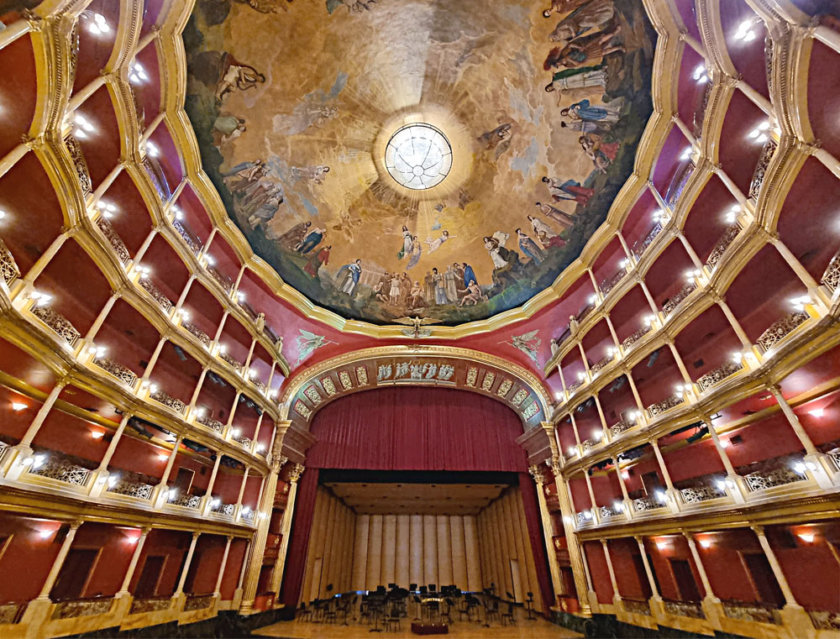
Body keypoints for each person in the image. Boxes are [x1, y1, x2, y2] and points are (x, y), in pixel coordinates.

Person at [549, 0, 616, 43]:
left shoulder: (558, 29)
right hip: (580, 28)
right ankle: (608, 11)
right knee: (596, 18)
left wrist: (573, 32)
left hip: (578, 21)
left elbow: (568, 23)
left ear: (552, 34)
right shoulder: (562, 38)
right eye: (554, 39)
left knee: (593, 15)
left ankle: (607, 6)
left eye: (553, 37)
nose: (555, 38)